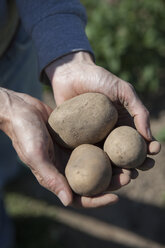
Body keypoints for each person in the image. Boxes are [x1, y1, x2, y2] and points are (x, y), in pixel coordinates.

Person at [0, 0, 161, 247]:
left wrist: (68, 55)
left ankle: (10, 172)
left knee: (12, 151)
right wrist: (5, 108)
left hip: (10, 43)